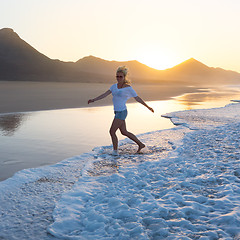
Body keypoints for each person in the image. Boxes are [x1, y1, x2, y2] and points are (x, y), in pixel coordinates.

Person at [88, 66, 154, 155]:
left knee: (112, 131)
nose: (118, 78)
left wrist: (148, 107)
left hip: (122, 112)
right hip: (117, 112)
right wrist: (93, 100)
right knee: (124, 132)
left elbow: (137, 98)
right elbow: (105, 94)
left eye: (120, 77)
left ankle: (115, 152)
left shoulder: (128, 88)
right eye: (117, 76)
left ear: (124, 77)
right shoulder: (114, 86)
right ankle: (141, 144)